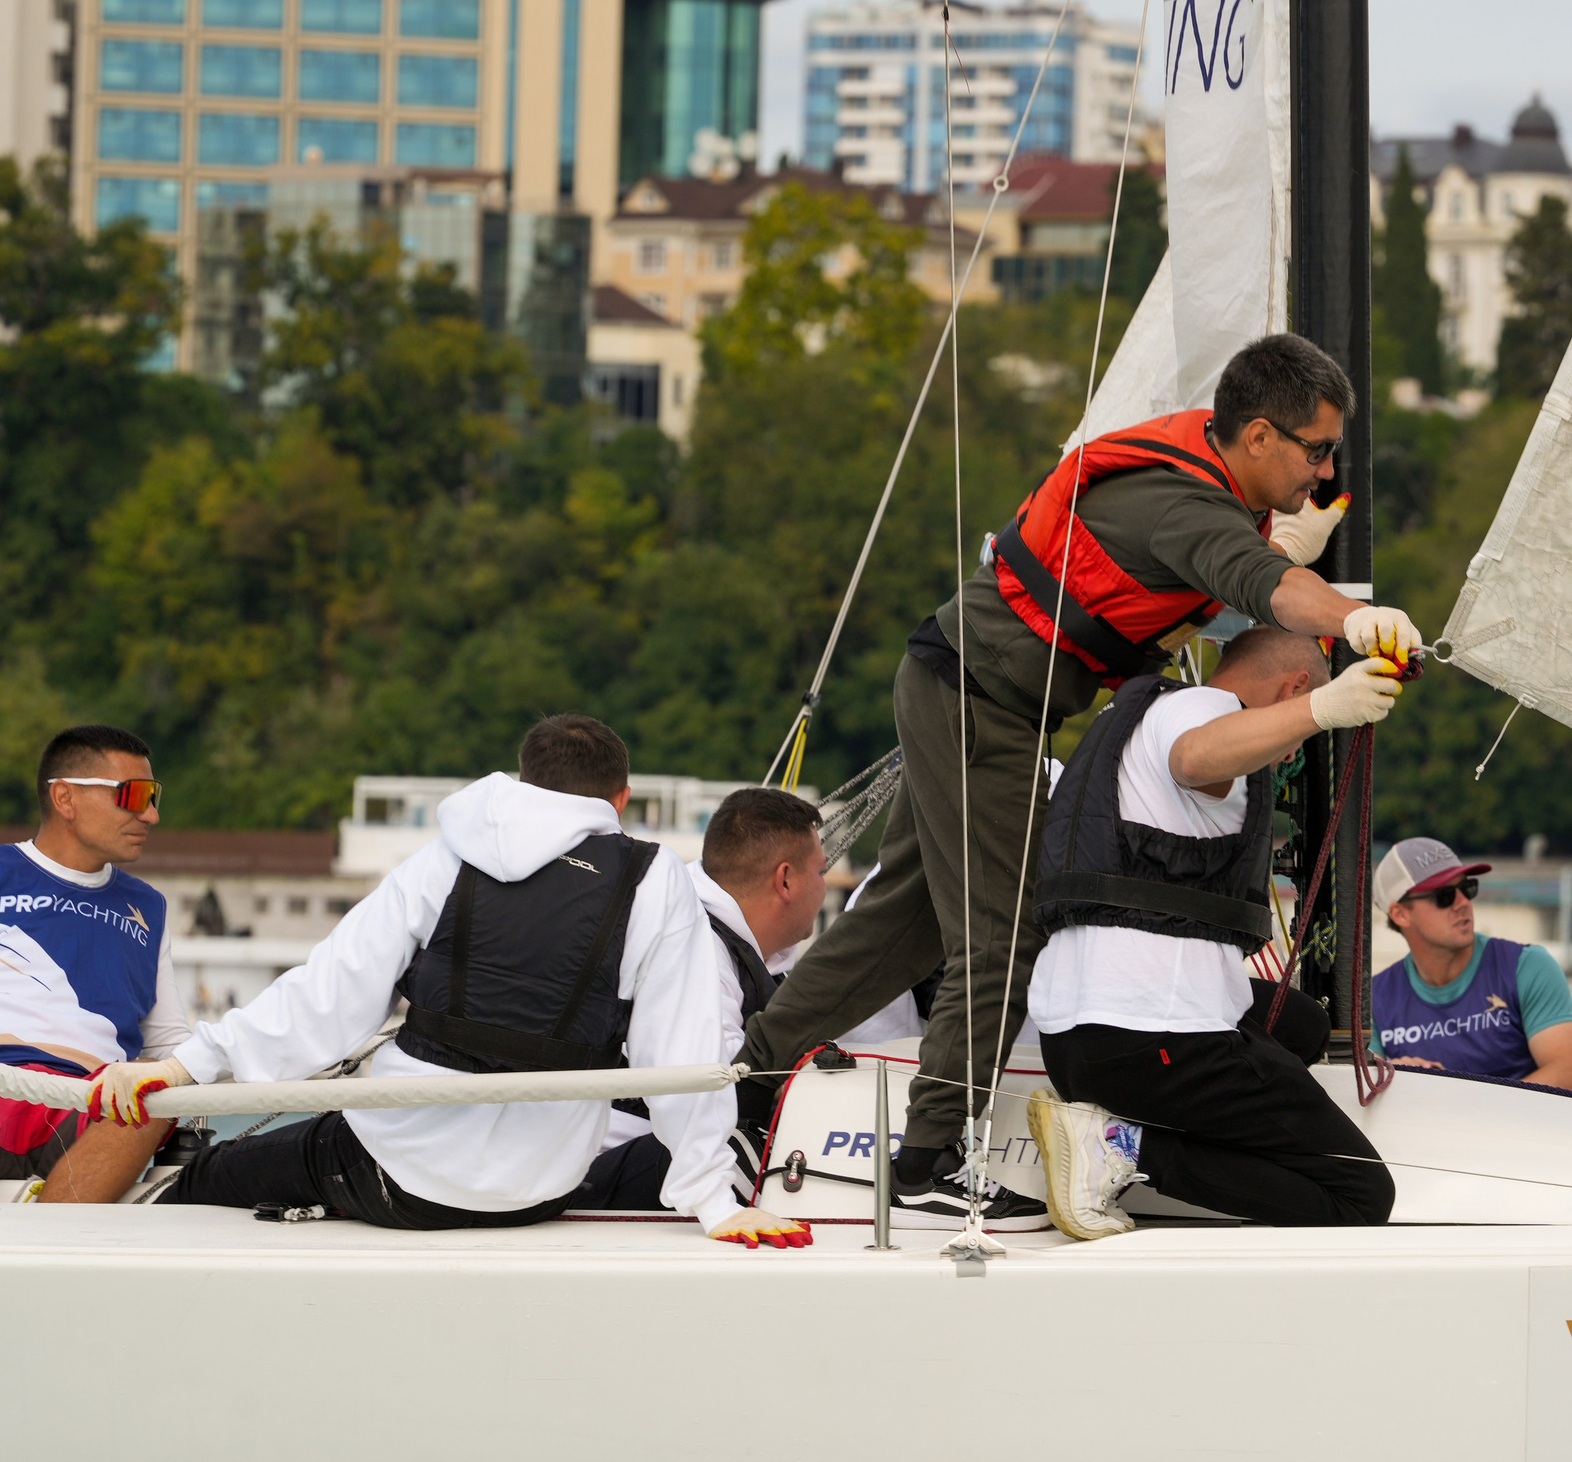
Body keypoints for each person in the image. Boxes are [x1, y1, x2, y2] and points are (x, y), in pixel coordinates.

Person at [734, 334, 1424, 1229]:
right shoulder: (1182, 506)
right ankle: (929, 1156)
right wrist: (1357, 617)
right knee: (1007, 925)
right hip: (979, 699)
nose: (1326, 469)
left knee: (899, 926)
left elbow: (1255, 555)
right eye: (1315, 450)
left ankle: (747, 1083)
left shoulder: (1212, 490)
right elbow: (1259, 579)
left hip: (969, 692)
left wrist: (1311, 523)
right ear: (1258, 436)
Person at [95, 716, 807, 1247]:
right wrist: (716, 1202)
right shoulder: (655, 881)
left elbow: (326, 997)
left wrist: (186, 1062)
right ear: (618, 800)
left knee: (204, 1178)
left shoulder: (444, 860)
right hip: (540, 1189)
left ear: (523, 780)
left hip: (393, 1174)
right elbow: (678, 1057)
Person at [1024, 626, 1401, 1239]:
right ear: (1294, 687)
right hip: (1155, 1040)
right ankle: (1122, 1147)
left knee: (1300, 1025)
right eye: (1304, 732)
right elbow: (1196, 758)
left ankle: (1150, 1126)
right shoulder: (1205, 709)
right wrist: (1319, 712)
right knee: (1360, 1193)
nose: (1292, 752)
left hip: (1077, 1036)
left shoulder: (1138, 719)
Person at [0, 726, 190, 1204]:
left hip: (91, 1098)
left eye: (154, 796)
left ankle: (52, 1249)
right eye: (134, 795)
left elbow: (172, 1044)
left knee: (155, 1091)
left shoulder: (149, 907)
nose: (150, 815)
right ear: (65, 798)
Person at [571, 786, 828, 1212]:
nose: (823, 887)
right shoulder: (698, 947)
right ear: (785, 880)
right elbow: (725, 1092)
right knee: (764, 1142)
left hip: (615, 1150)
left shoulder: (703, 925)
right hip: (603, 1167)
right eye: (821, 872)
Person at [1369, 840, 1572, 1090]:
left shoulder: (1527, 966)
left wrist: (1462, 1106)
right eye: (1445, 895)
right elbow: (1363, 1091)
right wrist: (1400, 1079)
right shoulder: (1373, 999)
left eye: (1467, 887)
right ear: (1400, 914)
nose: (1463, 902)